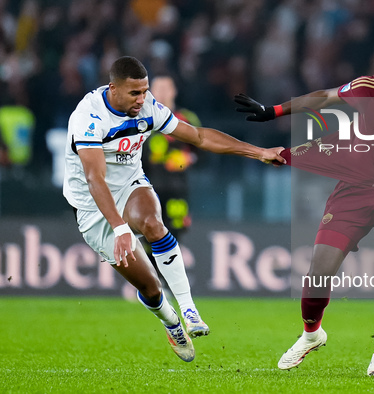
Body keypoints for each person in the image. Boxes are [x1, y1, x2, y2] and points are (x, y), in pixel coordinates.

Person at [235, 40, 374, 378]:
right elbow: (325, 97)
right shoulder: (368, 88)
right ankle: (312, 334)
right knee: (318, 274)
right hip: (351, 195)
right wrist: (274, 111)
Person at [63, 56, 285, 362]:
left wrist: (258, 152)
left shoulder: (148, 107)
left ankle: (190, 310)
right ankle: (172, 322)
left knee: (154, 223)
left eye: (145, 91)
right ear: (113, 88)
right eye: (134, 94)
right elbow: (94, 178)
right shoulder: (89, 117)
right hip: (92, 205)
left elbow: (198, 136)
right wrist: (119, 228)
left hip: (130, 185)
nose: (143, 100)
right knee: (151, 289)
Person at [140, 75, 203, 321]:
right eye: (157, 88)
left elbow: (204, 150)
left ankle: (165, 285)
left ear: (174, 90)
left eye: (166, 87)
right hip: (147, 189)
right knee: (148, 236)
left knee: (174, 235)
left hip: (178, 191)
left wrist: (190, 159)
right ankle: (151, 285)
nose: (162, 92)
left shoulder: (187, 119)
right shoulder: (141, 118)